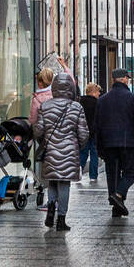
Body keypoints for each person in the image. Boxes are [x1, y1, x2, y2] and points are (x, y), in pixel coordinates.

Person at [33, 71, 89, 231]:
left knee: (52, 182)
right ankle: (61, 219)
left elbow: (38, 131)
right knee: (64, 184)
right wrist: (77, 145)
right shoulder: (76, 107)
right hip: (69, 151)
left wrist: (44, 141)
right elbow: (84, 133)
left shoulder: (45, 106)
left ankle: (50, 209)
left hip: (50, 150)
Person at [95, 69, 134, 216]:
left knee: (113, 174)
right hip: (127, 142)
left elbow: (97, 125)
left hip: (108, 143)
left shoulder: (102, 99)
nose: (128, 80)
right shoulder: (132, 98)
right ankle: (118, 196)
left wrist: (99, 146)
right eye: (127, 78)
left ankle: (116, 208)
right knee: (130, 174)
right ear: (123, 79)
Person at [79, 82, 102, 183]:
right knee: (94, 154)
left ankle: (78, 172)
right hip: (94, 132)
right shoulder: (97, 103)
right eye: (98, 92)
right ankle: (93, 176)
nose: (99, 94)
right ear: (93, 92)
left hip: (83, 131)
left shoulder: (80, 102)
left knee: (83, 153)